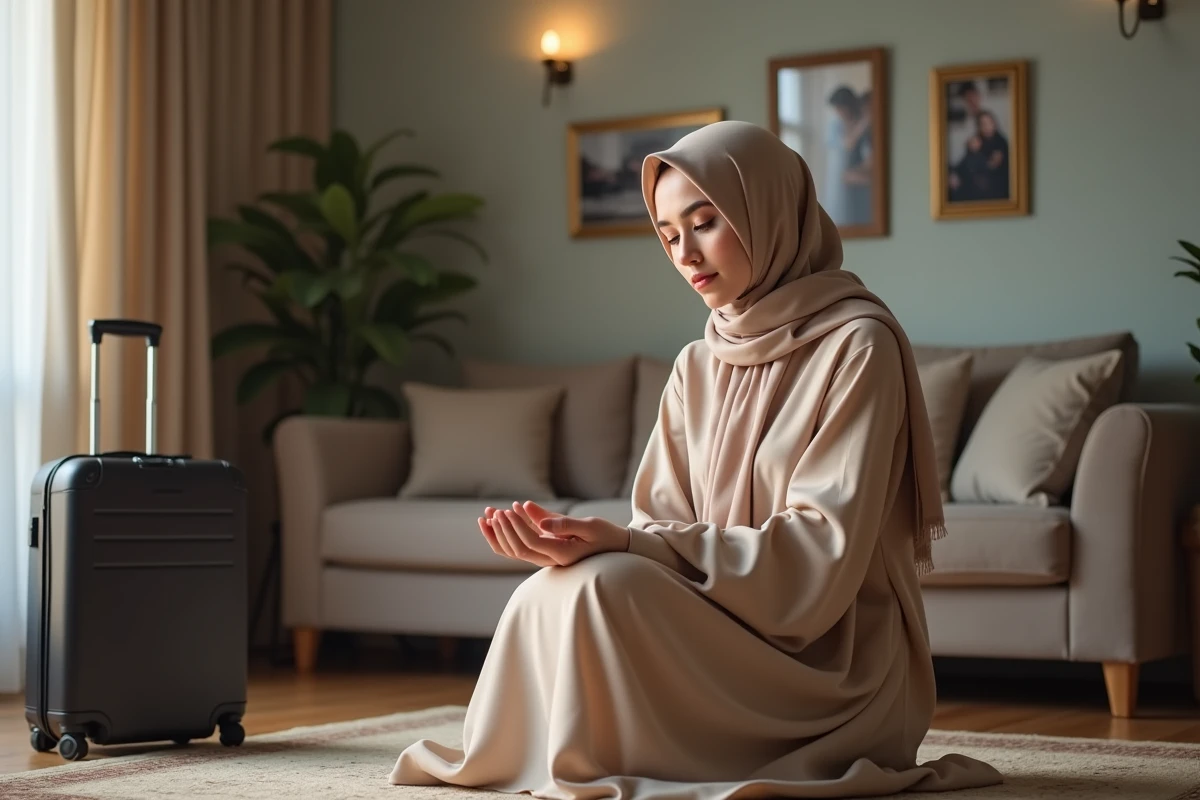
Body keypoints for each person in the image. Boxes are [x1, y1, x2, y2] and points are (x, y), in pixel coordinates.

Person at [388, 120, 1003, 798]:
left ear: (767, 211)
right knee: (553, 590)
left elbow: (819, 558)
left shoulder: (859, 345)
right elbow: (660, 527)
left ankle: (600, 756)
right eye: (668, 234)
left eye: (705, 222)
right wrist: (594, 546)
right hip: (720, 621)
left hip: (833, 658)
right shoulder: (697, 362)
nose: (686, 253)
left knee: (603, 589)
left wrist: (623, 546)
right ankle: (561, 759)